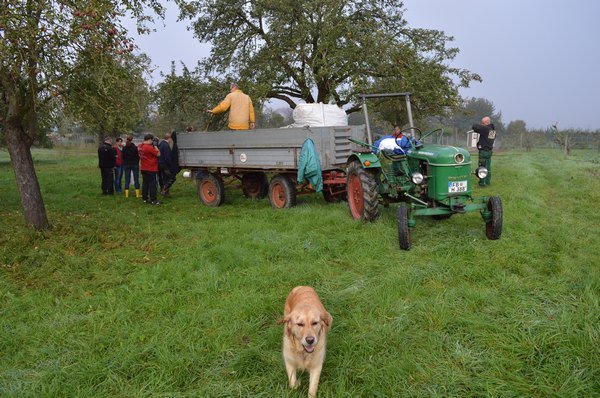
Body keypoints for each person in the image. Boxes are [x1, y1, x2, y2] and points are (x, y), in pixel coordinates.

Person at [472, 116, 497, 186]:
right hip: (489, 151)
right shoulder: (492, 130)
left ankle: (482, 183)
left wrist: (481, 126)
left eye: (482, 123)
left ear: (486, 123)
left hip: (483, 152)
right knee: (488, 167)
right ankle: (487, 182)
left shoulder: (486, 129)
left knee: (482, 167)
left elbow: (474, 127)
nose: (482, 124)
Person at [138, 133, 161, 204]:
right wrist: (156, 146)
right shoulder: (150, 147)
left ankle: (144, 198)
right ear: (150, 139)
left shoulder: (140, 146)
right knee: (152, 184)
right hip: (151, 168)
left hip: (143, 167)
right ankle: (153, 199)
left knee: (145, 183)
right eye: (152, 140)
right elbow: (158, 154)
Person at [158, 131, 180, 196]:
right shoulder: (166, 146)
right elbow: (167, 157)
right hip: (165, 165)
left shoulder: (161, 144)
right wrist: (170, 165)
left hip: (160, 164)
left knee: (164, 178)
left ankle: (165, 191)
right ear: (169, 138)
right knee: (172, 178)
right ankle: (164, 190)